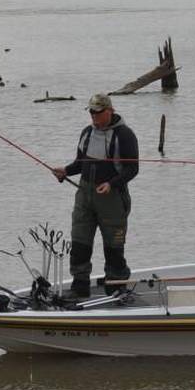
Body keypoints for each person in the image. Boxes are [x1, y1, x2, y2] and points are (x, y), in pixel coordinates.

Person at [52, 93, 139, 299]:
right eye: (91, 112)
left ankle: (116, 287)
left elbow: (132, 169)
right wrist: (65, 170)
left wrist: (111, 184)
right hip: (85, 195)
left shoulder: (125, 135)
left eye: (98, 112)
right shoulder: (87, 133)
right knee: (80, 242)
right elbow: (79, 164)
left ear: (110, 111)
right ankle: (80, 286)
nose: (94, 116)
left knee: (114, 247)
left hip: (112, 198)